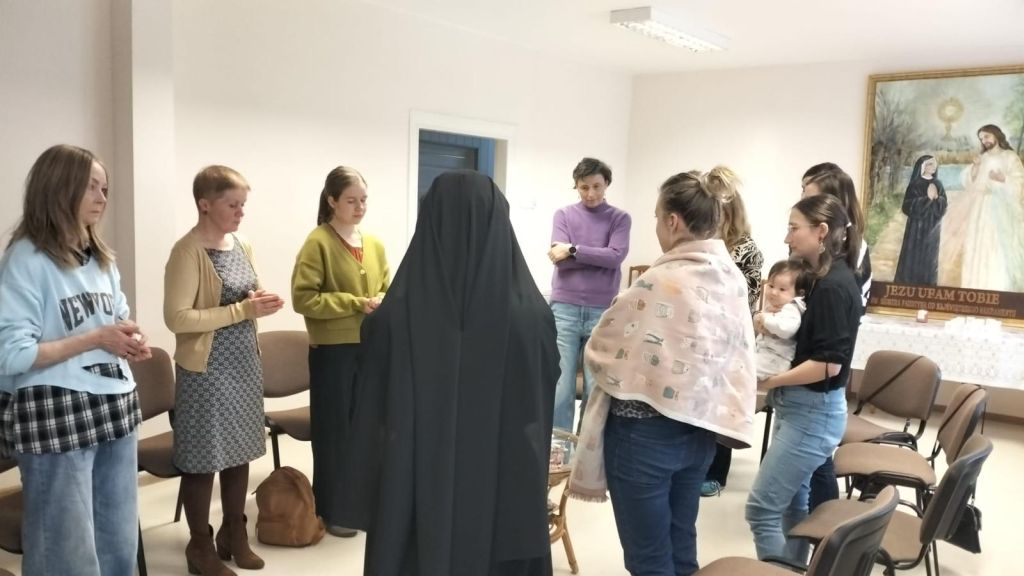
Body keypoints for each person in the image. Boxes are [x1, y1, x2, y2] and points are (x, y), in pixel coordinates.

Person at [340, 171, 559, 576]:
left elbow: (371, 405)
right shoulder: (531, 317)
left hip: (414, 484)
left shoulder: (392, 319)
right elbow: (540, 400)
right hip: (502, 482)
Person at [569, 171, 757, 576]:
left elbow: (601, 348)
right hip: (699, 432)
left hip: (643, 439)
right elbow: (734, 353)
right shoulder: (731, 279)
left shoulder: (661, 280)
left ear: (673, 221)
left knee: (649, 559)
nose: (656, 227)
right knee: (681, 544)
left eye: (657, 218)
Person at [0, 144, 152, 575]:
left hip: (115, 402)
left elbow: (116, 318)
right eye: (91, 187)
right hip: (55, 410)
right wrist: (95, 339)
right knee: (66, 550)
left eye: (105, 189)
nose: (103, 198)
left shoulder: (101, 258)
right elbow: (12, 354)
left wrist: (129, 337)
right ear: (59, 187)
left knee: (118, 540)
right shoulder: (26, 260)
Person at [164, 165, 284, 575]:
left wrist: (259, 300)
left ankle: (235, 533)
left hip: (243, 364)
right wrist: (242, 310)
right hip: (205, 371)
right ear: (204, 204)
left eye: (242, 204)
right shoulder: (186, 251)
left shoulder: (241, 243)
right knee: (203, 460)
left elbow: (245, 294)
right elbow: (177, 318)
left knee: (240, 452)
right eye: (232, 204)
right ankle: (200, 546)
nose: (240, 212)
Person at [745, 194, 863, 563]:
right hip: (801, 408)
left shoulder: (833, 287)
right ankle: (794, 568)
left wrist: (767, 382)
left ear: (821, 231)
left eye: (794, 228)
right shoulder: (820, 281)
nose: (787, 237)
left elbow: (828, 366)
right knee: (793, 505)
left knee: (761, 508)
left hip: (812, 413)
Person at [291, 166, 389, 537]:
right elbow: (304, 299)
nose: (360, 207)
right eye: (351, 200)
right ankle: (332, 508)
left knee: (366, 428)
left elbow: (389, 286)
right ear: (332, 201)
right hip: (332, 352)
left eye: (364, 200)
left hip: (369, 349)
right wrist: (354, 302)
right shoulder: (318, 242)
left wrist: (383, 299)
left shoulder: (374, 244)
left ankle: (362, 502)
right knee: (334, 431)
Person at [799, 163, 870, 511]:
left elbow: (836, 321)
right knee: (813, 458)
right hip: (813, 366)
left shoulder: (848, 256)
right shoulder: (825, 251)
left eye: (807, 194)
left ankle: (825, 524)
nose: (801, 200)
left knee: (817, 459)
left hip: (822, 372)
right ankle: (813, 520)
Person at [549, 157, 631, 433]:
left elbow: (615, 256)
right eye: (584, 187)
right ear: (576, 186)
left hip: (602, 310)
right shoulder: (563, 215)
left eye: (596, 186)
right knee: (561, 386)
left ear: (607, 184)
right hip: (565, 308)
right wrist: (598, 257)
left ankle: (587, 450)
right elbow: (559, 260)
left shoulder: (619, 218)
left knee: (596, 387)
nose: (591, 194)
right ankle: (559, 452)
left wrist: (573, 250)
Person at [700, 166, 763, 498]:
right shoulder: (699, 241)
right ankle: (696, 463)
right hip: (699, 336)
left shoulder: (746, 248)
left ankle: (716, 473)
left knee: (721, 405)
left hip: (728, 339)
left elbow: (743, 301)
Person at [959, 124, 1024, 291]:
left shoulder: (1010, 157)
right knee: (980, 244)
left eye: (986, 136)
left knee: (998, 245)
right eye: (981, 138)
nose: (984, 141)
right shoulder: (983, 157)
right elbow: (969, 182)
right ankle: (978, 284)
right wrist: (975, 167)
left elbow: (1020, 183)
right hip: (981, 208)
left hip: (1003, 208)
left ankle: (999, 286)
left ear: (996, 135)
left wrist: (1003, 178)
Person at [754, 259, 812, 381]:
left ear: (799, 293)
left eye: (782, 289)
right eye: (771, 286)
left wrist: (765, 319)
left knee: (744, 369)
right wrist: (758, 318)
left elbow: (786, 329)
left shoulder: (792, 308)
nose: (774, 292)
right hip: (764, 353)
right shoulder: (776, 304)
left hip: (777, 360)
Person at [894, 155, 947, 285]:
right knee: (913, 254)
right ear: (923, 167)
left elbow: (944, 205)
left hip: (932, 226)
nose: (933, 167)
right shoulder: (915, 184)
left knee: (930, 255)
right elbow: (906, 206)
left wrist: (937, 199)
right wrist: (926, 199)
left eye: (934, 164)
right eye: (930, 164)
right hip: (915, 227)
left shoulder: (938, 184)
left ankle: (928, 283)